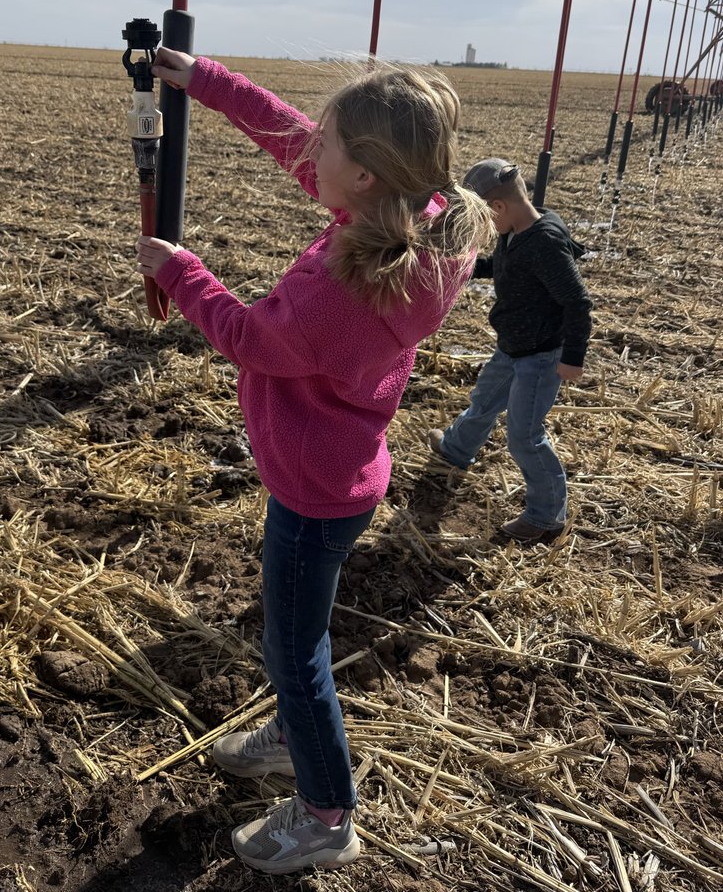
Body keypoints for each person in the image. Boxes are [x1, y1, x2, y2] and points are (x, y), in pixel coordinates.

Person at [136, 48, 493, 874]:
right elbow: (293, 136)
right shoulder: (414, 219)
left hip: (313, 492)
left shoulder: (344, 292)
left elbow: (248, 339)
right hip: (335, 474)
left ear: (365, 174)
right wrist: (207, 82)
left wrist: (181, 271)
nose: (311, 153)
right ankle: (291, 736)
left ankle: (327, 814)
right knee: (295, 639)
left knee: (295, 655)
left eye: (329, 147)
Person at [428, 157, 592, 543]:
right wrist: (461, 267)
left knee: (524, 435)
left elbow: (578, 302)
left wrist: (573, 357)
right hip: (512, 346)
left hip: (540, 357)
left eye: (483, 217)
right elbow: (503, 267)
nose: (484, 228)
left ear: (498, 207)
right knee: (483, 400)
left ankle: (546, 515)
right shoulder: (515, 230)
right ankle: (456, 449)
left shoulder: (545, 243)